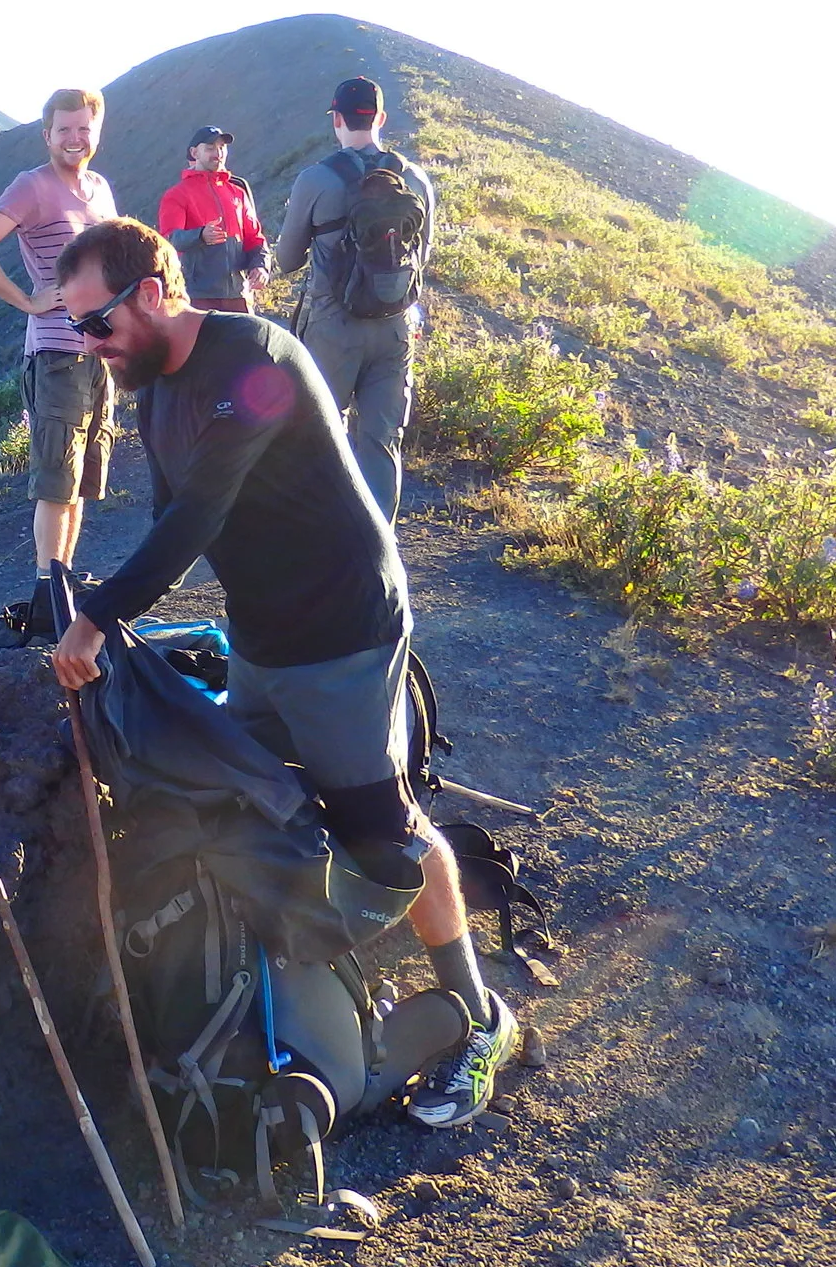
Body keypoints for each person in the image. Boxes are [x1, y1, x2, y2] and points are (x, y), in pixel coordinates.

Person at [46, 218, 517, 1130]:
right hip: (263, 634)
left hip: (342, 628)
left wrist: (99, 619)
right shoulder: (150, 388)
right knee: (258, 803)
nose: (87, 344)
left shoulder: (257, 362)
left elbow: (197, 518)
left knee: (384, 827)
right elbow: (166, 520)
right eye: (73, 328)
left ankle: (480, 1015)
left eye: (94, 323)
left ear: (151, 292)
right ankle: (322, 1003)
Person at [0, 88, 120, 632]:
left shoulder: (99, 190)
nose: (75, 138)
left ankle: (64, 582)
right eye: (64, 129)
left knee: (80, 482)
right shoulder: (33, 187)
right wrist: (28, 300)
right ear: (46, 134)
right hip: (56, 354)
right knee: (55, 480)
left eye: (83, 128)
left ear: (97, 131)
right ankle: (48, 591)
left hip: (100, 356)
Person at [274, 76, 438, 522]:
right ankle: (378, 543)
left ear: (338, 120)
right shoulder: (417, 180)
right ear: (381, 118)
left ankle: (320, 536)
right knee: (383, 440)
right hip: (396, 327)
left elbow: (287, 261)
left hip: (332, 326)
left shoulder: (317, 178)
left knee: (320, 432)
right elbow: (422, 256)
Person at [155, 125, 267, 313]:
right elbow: (166, 242)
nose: (218, 153)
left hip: (239, 297)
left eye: (222, 147)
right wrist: (200, 235)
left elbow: (255, 238)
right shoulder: (176, 195)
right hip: (197, 298)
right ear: (194, 153)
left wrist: (261, 266)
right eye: (210, 148)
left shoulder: (238, 193)